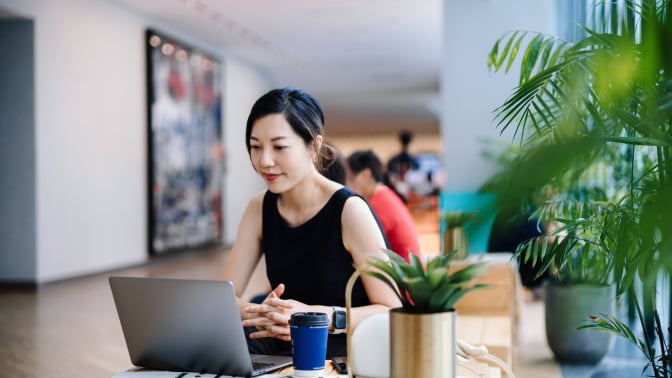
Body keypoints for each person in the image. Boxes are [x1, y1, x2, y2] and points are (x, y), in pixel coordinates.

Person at [221, 87, 400, 358]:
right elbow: (222, 297)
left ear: (314, 147)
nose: (265, 161)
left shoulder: (349, 210)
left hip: (344, 351)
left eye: (279, 147)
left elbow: (391, 310)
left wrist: (315, 317)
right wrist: (261, 312)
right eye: (255, 146)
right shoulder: (259, 207)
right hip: (282, 345)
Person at [346, 150, 422, 263]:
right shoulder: (385, 195)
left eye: (351, 179)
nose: (348, 186)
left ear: (366, 175)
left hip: (402, 276)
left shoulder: (376, 204)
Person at [386, 130, 419, 202]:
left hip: (399, 188)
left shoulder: (394, 159)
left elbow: (389, 176)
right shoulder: (414, 160)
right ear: (410, 142)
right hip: (407, 189)